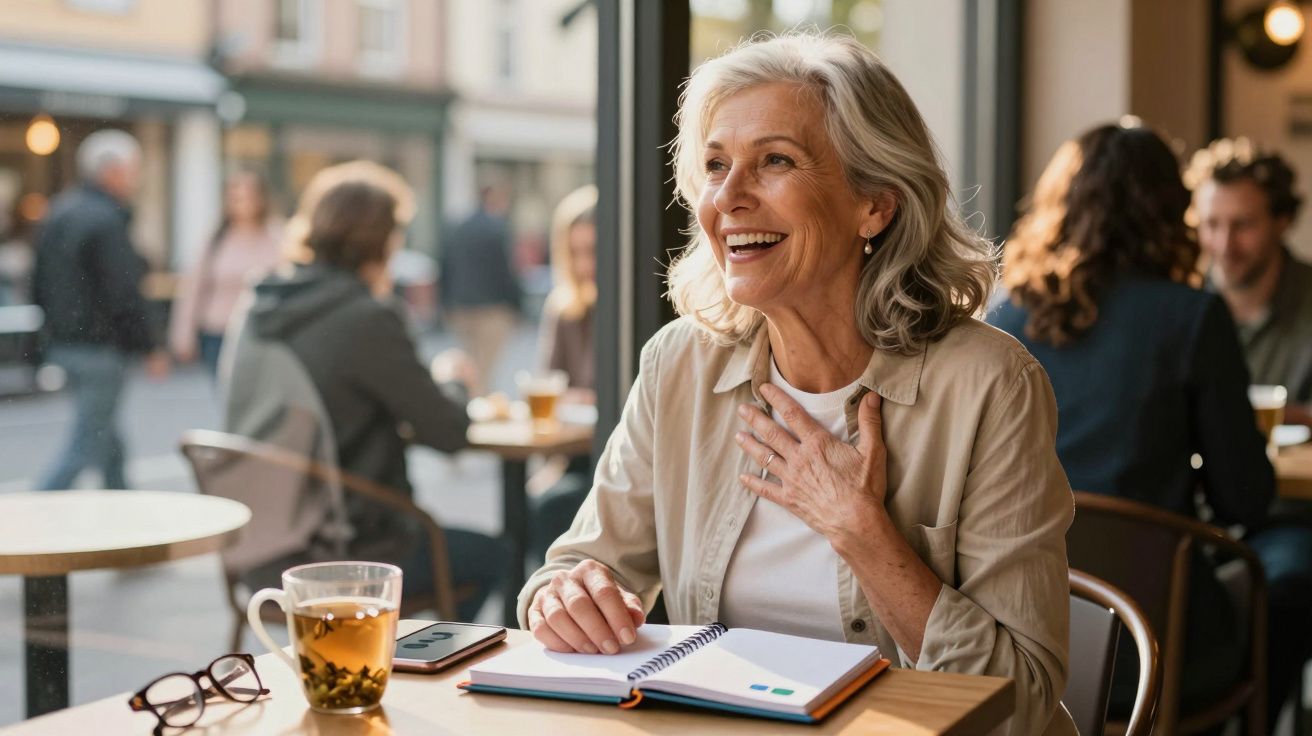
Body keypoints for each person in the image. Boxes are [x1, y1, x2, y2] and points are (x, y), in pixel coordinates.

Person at [521, 34, 1075, 735]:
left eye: (774, 161)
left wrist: (863, 533)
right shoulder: (679, 365)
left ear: (874, 204)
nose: (728, 198)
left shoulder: (990, 384)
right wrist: (563, 596)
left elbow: (1021, 700)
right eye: (716, 166)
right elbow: (579, 565)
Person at [988, 122, 1311, 731]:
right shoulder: (1191, 317)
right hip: (1153, 649)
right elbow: (1244, 496)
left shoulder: (1007, 315)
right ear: (1171, 212)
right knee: (1276, 580)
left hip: (1023, 643)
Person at [224, 161, 504, 621]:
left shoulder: (260, 304)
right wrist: (454, 379)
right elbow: (449, 431)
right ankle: (424, 665)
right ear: (385, 241)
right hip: (348, 554)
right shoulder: (366, 318)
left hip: (257, 553)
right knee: (499, 554)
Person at [32, 129, 168, 490]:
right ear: (112, 172)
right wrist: (150, 345)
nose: (135, 179)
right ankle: (25, 516)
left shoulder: (60, 211)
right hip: (99, 348)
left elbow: (38, 282)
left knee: (106, 438)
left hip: (67, 344)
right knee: (86, 444)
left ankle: (124, 508)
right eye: (131, 170)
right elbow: (124, 292)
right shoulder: (106, 219)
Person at [1186, 139, 1312, 427]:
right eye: (1212, 224)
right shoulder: (1180, 303)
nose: (1225, 245)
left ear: (1282, 221)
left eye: (1242, 225)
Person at [530, 185, 597, 559]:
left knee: (551, 506)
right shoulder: (565, 309)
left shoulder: (631, 308)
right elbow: (551, 385)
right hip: (573, 456)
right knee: (537, 503)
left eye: (593, 251)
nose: (585, 264)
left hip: (610, 459)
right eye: (575, 252)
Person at [168, 171, 282, 377]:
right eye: (236, 196)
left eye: (249, 195)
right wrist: (183, 335)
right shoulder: (215, 240)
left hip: (264, 333)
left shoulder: (278, 237)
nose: (242, 202)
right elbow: (193, 288)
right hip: (218, 333)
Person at [439, 183, 522, 393]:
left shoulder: (458, 227)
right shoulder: (497, 228)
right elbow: (507, 272)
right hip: (491, 310)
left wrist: (445, 304)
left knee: (470, 368)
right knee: (483, 374)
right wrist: (518, 307)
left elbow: (445, 266)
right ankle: (474, 417)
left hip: (460, 309)